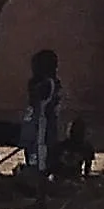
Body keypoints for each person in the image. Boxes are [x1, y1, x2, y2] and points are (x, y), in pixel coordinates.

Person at [21, 48, 68, 194]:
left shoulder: (47, 85)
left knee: (41, 165)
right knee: (35, 162)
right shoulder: (52, 83)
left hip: (42, 129)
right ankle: (39, 193)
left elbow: (38, 102)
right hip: (38, 128)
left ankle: (41, 198)